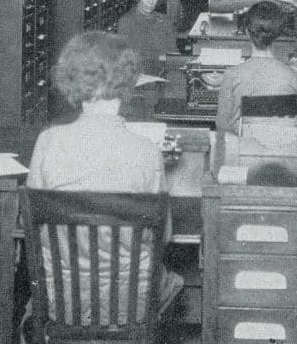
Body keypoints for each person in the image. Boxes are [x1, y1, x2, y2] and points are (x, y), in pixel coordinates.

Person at [26, 31, 183, 328]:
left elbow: (33, 225)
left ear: (71, 79)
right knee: (174, 282)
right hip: (130, 306)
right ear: (128, 82)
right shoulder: (148, 153)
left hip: (62, 304)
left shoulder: (46, 143)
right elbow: (164, 236)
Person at [215, 1, 297, 136]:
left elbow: (222, 125)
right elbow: (293, 126)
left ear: (248, 33)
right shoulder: (292, 76)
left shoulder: (232, 74)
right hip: (276, 152)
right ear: (277, 34)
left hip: (241, 151)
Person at [116, 0, 177, 68]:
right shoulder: (126, 22)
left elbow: (174, 56)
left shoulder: (165, 21)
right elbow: (126, 59)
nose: (151, 1)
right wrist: (159, 57)